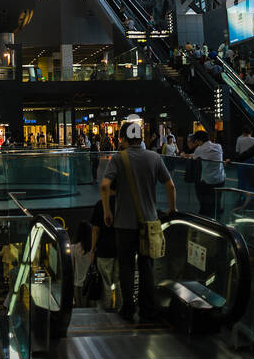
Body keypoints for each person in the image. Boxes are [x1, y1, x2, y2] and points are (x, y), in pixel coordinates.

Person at [101, 120, 176, 324]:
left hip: (124, 224)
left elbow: (105, 185)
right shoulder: (154, 157)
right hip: (149, 223)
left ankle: (127, 309)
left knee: (126, 267)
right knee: (146, 267)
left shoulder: (118, 158)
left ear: (124, 139)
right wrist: (171, 209)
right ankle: (148, 310)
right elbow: (170, 186)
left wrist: (107, 211)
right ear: (141, 138)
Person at [91, 186, 122, 311]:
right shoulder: (124, 203)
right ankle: (121, 307)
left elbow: (95, 229)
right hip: (121, 248)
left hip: (104, 249)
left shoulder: (101, 204)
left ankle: (106, 308)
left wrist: (93, 249)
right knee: (120, 280)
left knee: (105, 281)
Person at [183, 131, 225, 217]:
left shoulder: (200, 149)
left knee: (206, 202)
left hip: (208, 181)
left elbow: (194, 156)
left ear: (199, 140)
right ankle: (217, 214)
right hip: (220, 179)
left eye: (197, 141)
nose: (197, 143)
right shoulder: (218, 146)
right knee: (217, 200)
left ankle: (206, 217)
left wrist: (184, 155)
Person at [71, 221, 93, 306]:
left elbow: (72, 268)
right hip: (90, 283)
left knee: (79, 306)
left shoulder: (73, 248)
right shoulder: (93, 249)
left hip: (77, 283)